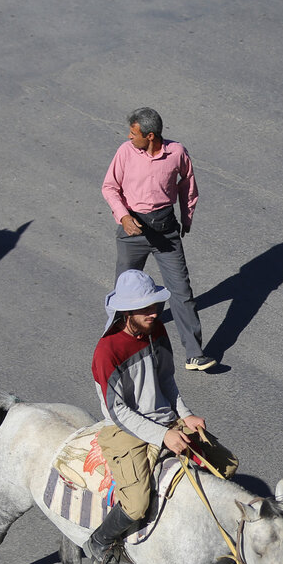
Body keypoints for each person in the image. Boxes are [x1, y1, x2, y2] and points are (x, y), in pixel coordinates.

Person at [87, 270, 208, 564]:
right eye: (145, 309)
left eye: (155, 305)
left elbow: (166, 379)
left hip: (165, 419)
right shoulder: (107, 351)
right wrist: (163, 435)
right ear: (126, 312)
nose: (154, 313)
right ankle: (100, 541)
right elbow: (118, 412)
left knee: (220, 464)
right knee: (138, 503)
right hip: (125, 430)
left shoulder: (156, 331)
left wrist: (184, 414)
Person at [102, 107, 216, 372]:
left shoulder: (176, 152)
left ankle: (194, 354)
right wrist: (123, 217)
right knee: (124, 292)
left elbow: (188, 184)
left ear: (150, 135)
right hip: (133, 231)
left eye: (134, 134)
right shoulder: (125, 152)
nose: (130, 138)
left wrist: (186, 218)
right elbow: (109, 187)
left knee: (182, 292)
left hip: (166, 231)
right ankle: (113, 347)